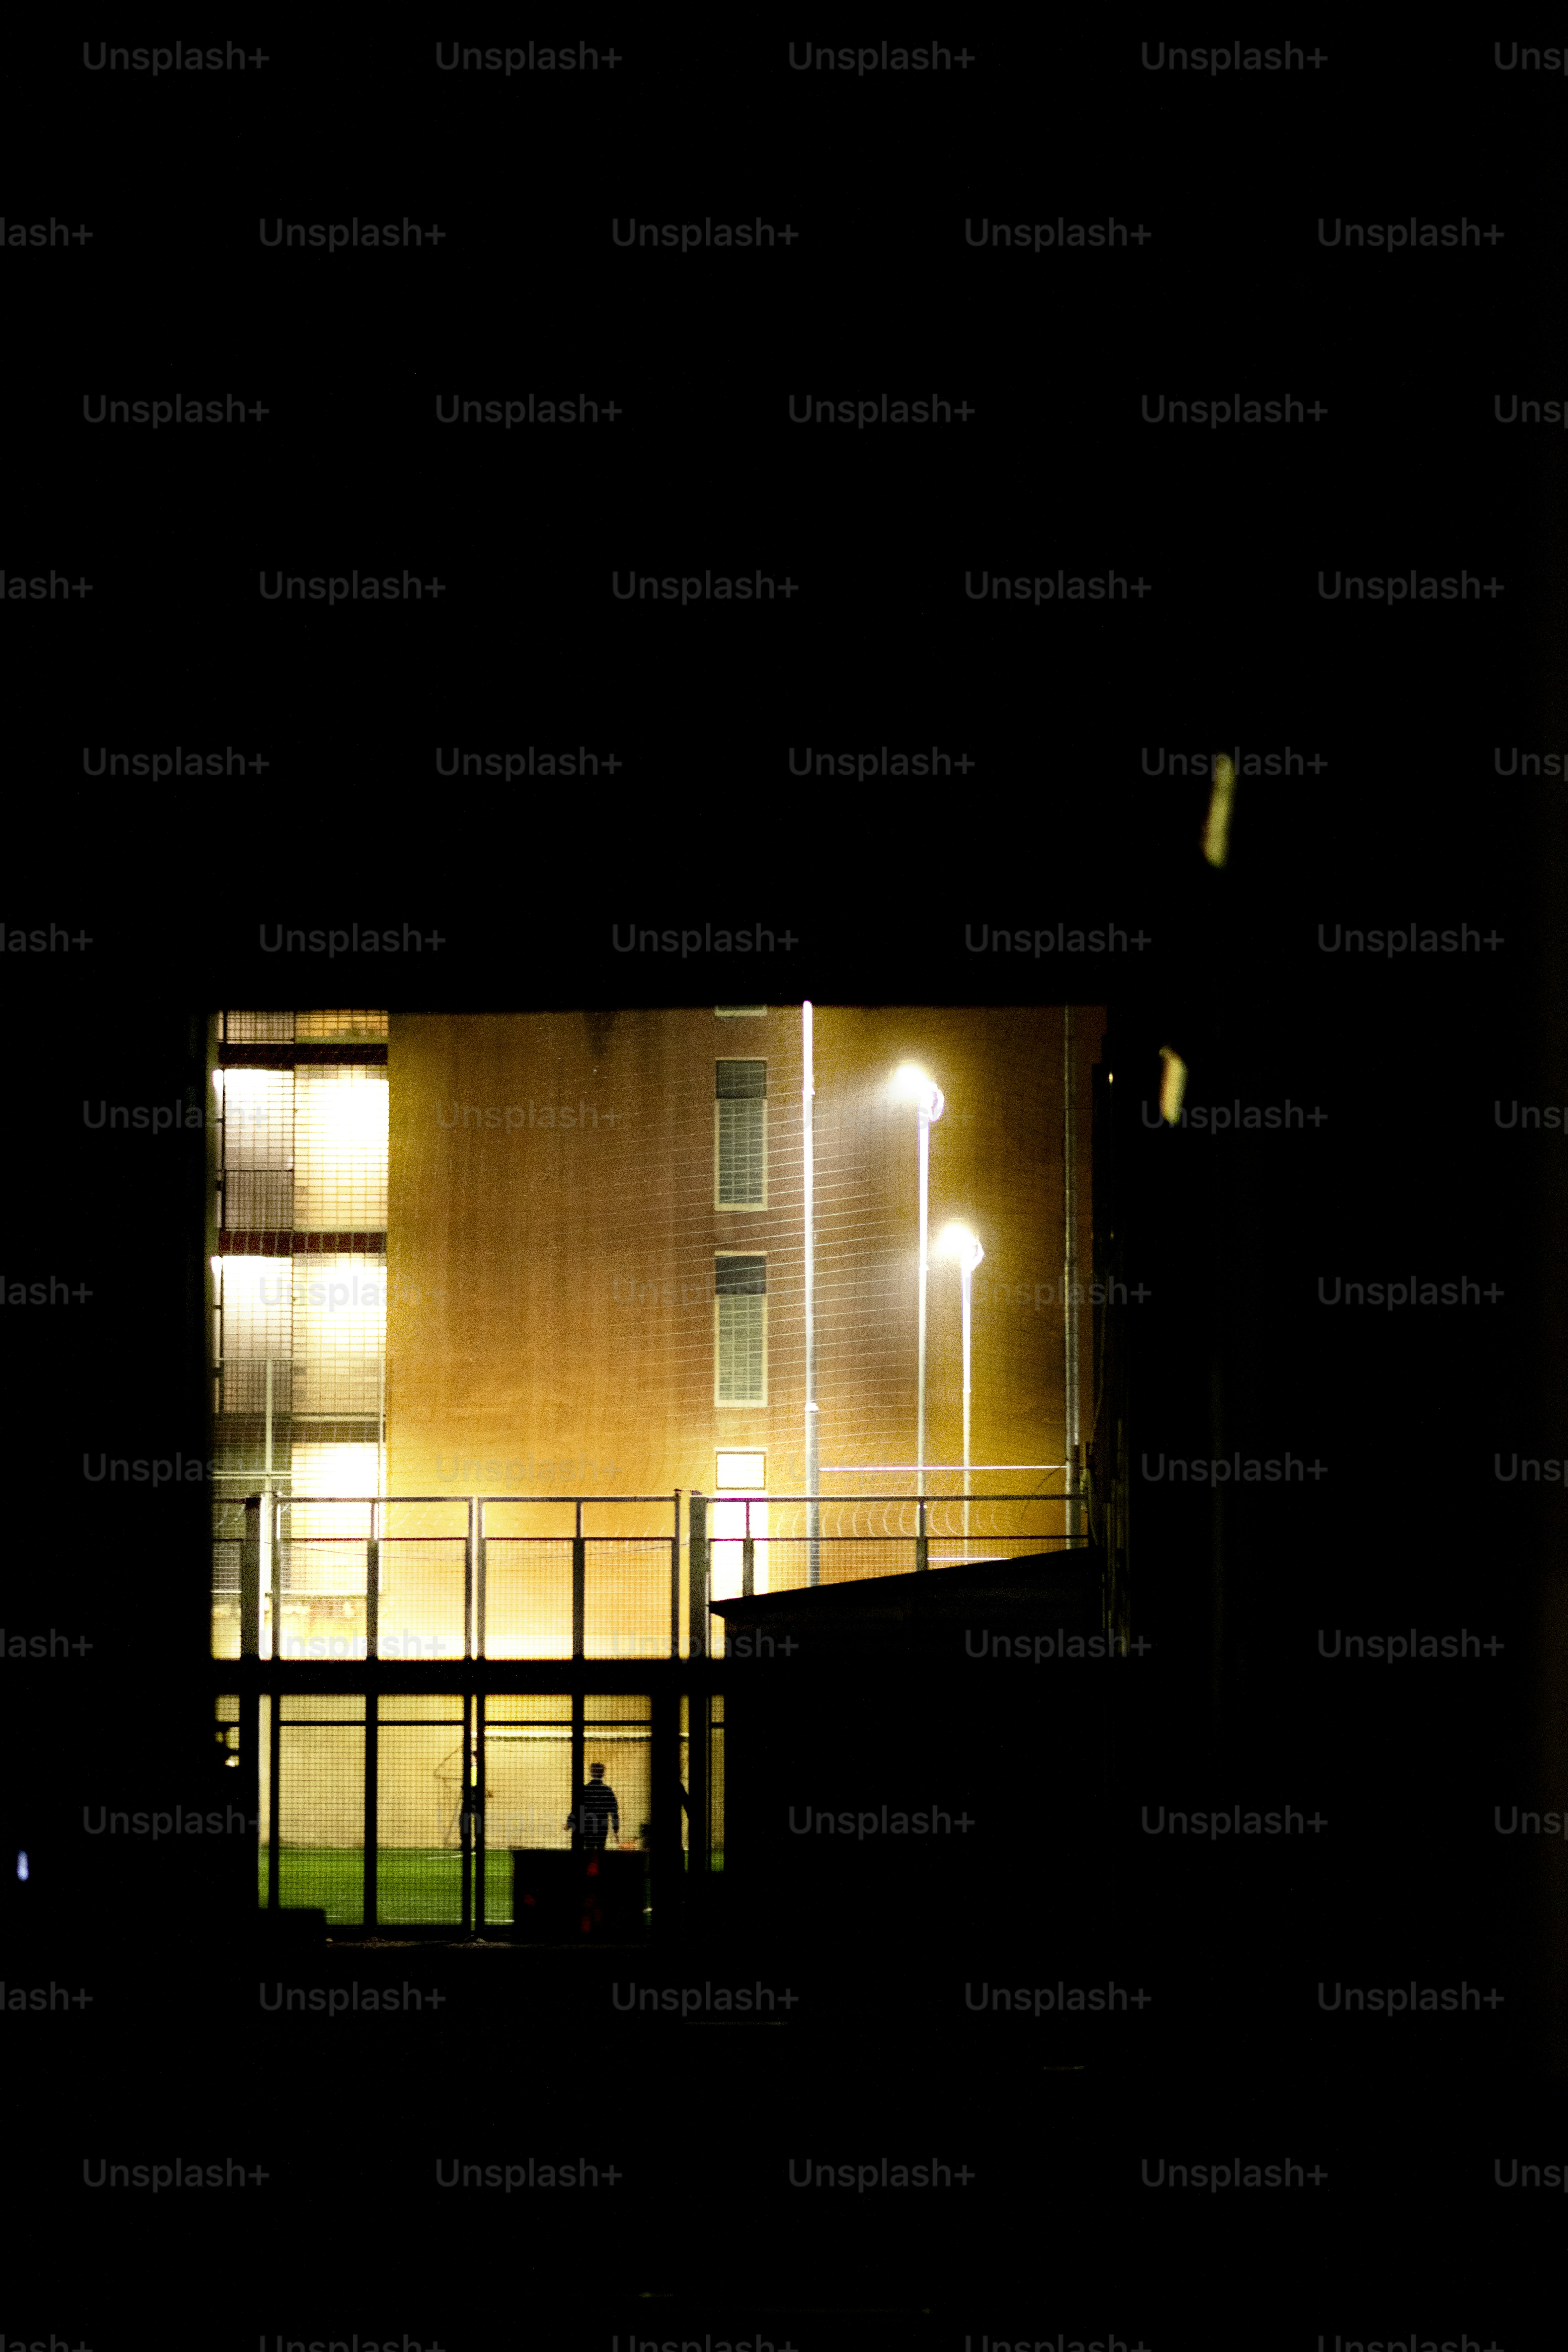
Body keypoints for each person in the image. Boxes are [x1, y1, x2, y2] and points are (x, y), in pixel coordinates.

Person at [569, 1760, 619, 1854]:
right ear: (603, 1774)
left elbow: (576, 1808)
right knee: (601, 1851)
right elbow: (614, 1811)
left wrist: (570, 1822)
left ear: (591, 1773)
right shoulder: (607, 1791)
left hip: (587, 1826)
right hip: (602, 1827)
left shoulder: (585, 1790)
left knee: (589, 1851)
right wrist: (616, 1830)